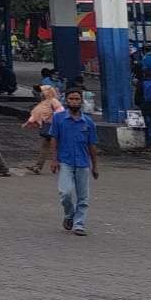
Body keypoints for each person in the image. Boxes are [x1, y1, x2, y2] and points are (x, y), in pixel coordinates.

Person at [50, 87, 99, 236]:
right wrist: (54, 159)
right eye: (71, 98)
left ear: (81, 101)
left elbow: (92, 145)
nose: (74, 101)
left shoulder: (88, 122)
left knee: (83, 197)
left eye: (77, 99)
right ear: (66, 100)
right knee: (65, 193)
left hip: (83, 163)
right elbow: (54, 139)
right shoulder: (58, 118)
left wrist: (95, 166)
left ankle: (79, 224)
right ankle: (69, 214)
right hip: (65, 161)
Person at [24, 84, 64, 174]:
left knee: (50, 147)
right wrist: (29, 122)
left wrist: (53, 118)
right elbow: (37, 113)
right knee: (46, 146)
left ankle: (40, 166)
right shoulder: (46, 102)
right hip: (50, 127)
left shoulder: (53, 101)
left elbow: (60, 111)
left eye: (43, 91)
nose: (41, 93)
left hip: (54, 127)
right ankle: (38, 166)